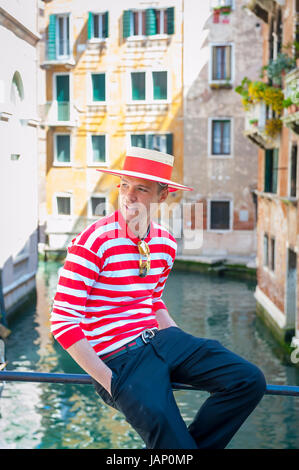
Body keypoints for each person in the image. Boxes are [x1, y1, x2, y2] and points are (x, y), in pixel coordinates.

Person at [50, 146, 266, 449]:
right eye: (125, 185)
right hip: (118, 362)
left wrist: (179, 341)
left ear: (162, 196)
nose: (129, 196)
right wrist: (111, 383)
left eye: (141, 189)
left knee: (249, 380)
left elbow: (153, 301)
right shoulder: (92, 242)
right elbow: (63, 322)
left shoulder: (165, 242)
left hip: (160, 342)